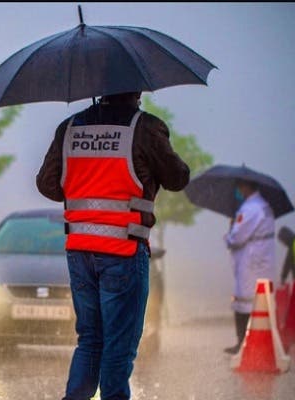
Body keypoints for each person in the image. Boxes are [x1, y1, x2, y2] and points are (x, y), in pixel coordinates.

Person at [36, 92, 190, 400]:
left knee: (90, 340)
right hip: (124, 251)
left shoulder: (70, 128)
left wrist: (86, 183)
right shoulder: (145, 127)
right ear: (136, 92)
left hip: (80, 252)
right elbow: (178, 177)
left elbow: (47, 183)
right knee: (119, 346)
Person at [223, 180, 276, 355]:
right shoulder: (263, 206)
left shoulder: (250, 209)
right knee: (259, 302)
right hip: (261, 259)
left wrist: (229, 234)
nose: (238, 190)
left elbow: (237, 238)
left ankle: (244, 343)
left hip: (250, 261)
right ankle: (254, 343)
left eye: (239, 186)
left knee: (244, 302)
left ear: (246, 187)